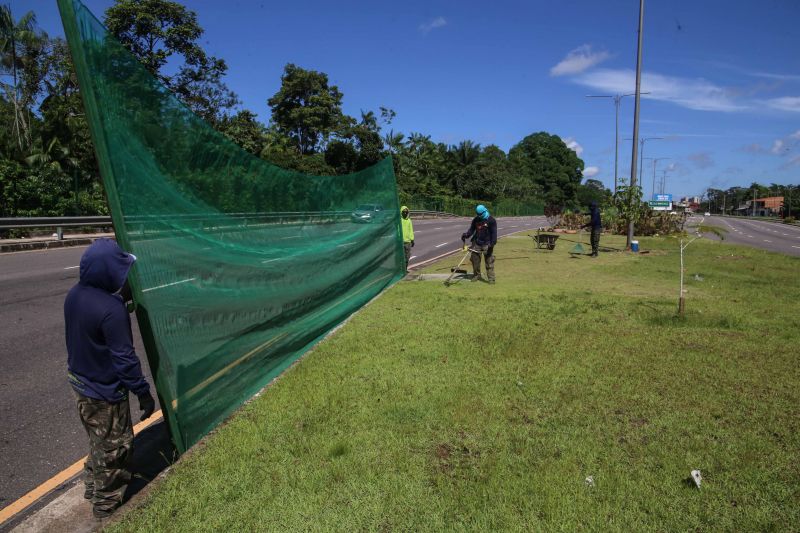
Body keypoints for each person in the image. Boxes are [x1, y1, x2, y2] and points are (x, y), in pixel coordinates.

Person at [64, 238, 155, 519]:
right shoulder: (111, 310)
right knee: (116, 447)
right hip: (105, 392)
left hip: (80, 383)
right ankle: (105, 505)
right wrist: (142, 392)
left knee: (97, 438)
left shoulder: (75, 294)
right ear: (108, 273)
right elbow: (125, 360)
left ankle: (91, 484)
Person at [461, 204, 498, 283]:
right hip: (477, 243)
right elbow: (471, 230)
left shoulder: (491, 220)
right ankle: (476, 275)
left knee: (489, 262)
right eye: (477, 214)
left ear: (484, 211)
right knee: (475, 261)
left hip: (487, 244)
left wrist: (491, 244)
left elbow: (494, 234)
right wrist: (466, 235)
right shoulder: (476, 220)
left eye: (480, 214)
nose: (478, 216)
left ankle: (491, 279)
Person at [400, 205, 414, 271]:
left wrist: (412, 240)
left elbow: (411, 230)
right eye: (403, 212)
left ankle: (405, 268)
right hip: (400, 241)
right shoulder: (399, 220)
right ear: (401, 212)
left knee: (407, 256)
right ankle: (401, 269)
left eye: (406, 212)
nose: (405, 213)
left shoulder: (409, 220)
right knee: (400, 256)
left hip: (408, 242)